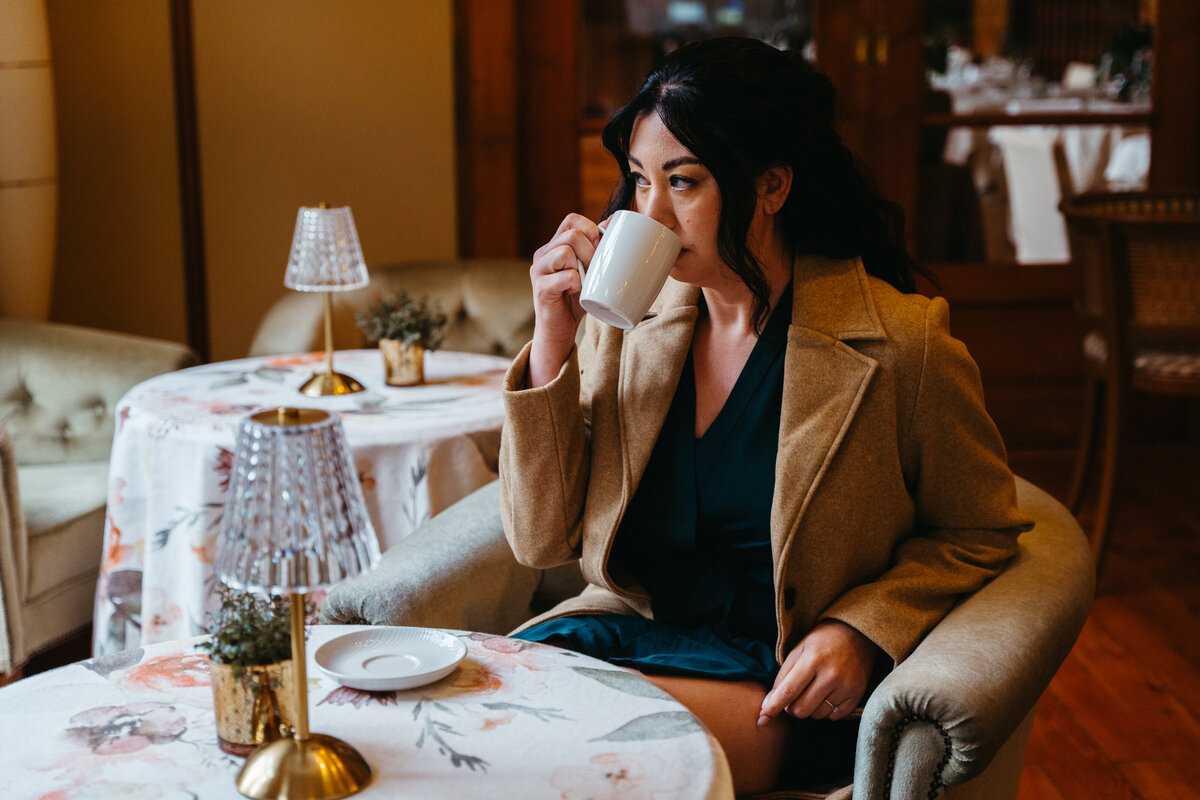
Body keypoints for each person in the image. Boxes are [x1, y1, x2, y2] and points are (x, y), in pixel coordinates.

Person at [497, 37, 1032, 796]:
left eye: (683, 182)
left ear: (772, 186)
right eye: (640, 180)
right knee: (479, 731)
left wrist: (862, 630)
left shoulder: (903, 344)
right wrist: (553, 340)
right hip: (629, 636)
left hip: (779, 680)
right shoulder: (626, 327)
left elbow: (979, 530)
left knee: (571, 756)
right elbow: (539, 538)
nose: (649, 213)